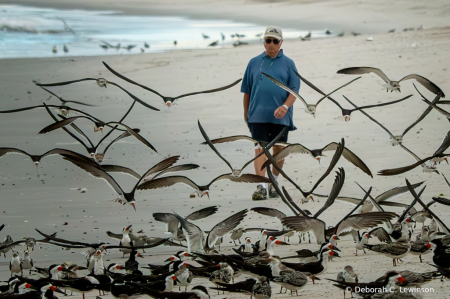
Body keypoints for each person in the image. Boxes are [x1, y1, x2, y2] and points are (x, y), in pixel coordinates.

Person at [241, 25, 300, 200]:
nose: (271, 44)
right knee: (260, 148)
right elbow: (247, 90)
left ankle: (274, 182)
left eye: (275, 41)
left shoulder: (289, 64)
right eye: (268, 40)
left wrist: (286, 107)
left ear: (281, 42)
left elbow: (294, 90)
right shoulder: (253, 62)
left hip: (282, 116)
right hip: (257, 115)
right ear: (264, 42)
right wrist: (246, 113)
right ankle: (260, 186)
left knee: (279, 149)